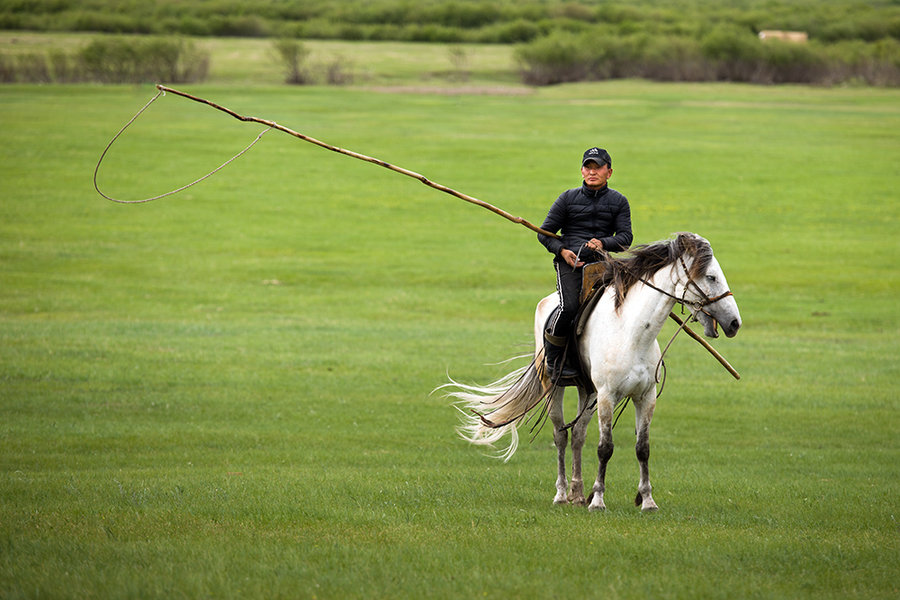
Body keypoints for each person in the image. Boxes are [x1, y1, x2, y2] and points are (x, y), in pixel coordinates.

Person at [537, 147, 633, 381]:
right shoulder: (567, 198)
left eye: (597, 167)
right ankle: (554, 360)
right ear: (581, 170)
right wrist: (562, 251)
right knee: (569, 307)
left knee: (622, 310)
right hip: (570, 264)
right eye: (588, 167)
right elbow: (544, 233)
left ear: (609, 172)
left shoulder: (619, 201)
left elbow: (625, 239)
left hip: (602, 265)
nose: (592, 172)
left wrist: (603, 243)